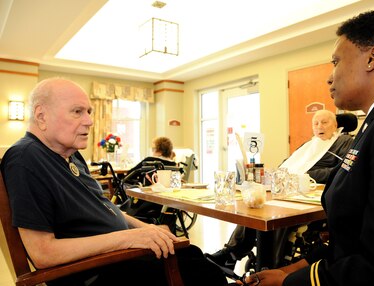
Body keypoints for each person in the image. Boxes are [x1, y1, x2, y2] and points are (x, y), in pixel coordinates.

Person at [242, 8, 374, 286]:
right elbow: (355, 237)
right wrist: (293, 269)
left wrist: (289, 283)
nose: (329, 77)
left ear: (372, 58)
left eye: (335, 62)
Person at [0, 78, 228, 286]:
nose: (89, 121)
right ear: (41, 116)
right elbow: (43, 253)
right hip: (98, 273)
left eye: (89, 111)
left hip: (117, 259)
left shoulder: (70, 155)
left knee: (193, 254)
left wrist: (144, 228)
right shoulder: (25, 159)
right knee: (201, 272)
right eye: (77, 112)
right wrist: (128, 239)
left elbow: (105, 208)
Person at [206, 110, 354, 270]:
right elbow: (289, 162)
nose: (319, 126)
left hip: (315, 192)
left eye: (324, 122)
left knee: (280, 214)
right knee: (256, 207)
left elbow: (339, 170)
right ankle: (232, 253)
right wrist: (277, 174)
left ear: (336, 125)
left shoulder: (344, 141)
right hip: (291, 188)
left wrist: (302, 175)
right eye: (315, 123)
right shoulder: (309, 144)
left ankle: (272, 265)